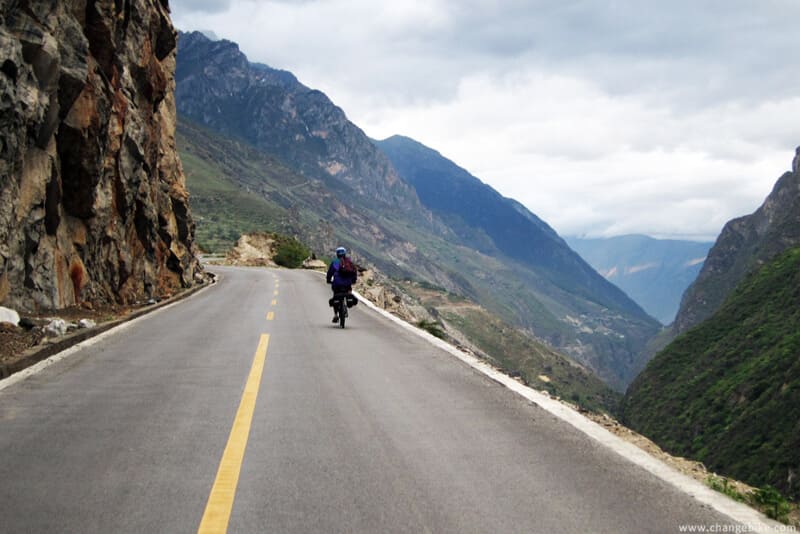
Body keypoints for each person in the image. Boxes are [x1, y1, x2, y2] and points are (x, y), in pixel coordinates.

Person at [326, 246, 357, 323]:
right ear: (344, 253)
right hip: (347, 284)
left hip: (337, 284)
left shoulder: (335, 262)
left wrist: (328, 280)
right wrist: (353, 281)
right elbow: (354, 272)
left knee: (335, 296)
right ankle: (349, 299)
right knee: (349, 290)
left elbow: (329, 273)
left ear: (337, 254)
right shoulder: (349, 262)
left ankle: (336, 315)